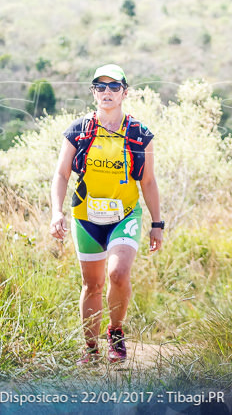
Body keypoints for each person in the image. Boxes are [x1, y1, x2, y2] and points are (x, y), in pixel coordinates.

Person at [49, 64, 164, 364]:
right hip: (86, 218)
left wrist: (157, 223)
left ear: (125, 92)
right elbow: (61, 174)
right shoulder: (79, 130)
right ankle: (90, 349)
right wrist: (55, 212)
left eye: (114, 87)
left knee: (118, 273)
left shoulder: (139, 134)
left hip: (124, 215)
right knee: (93, 284)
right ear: (93, 92)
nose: (107, 92)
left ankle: (115, 331)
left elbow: (148, 181)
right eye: (101, 87)